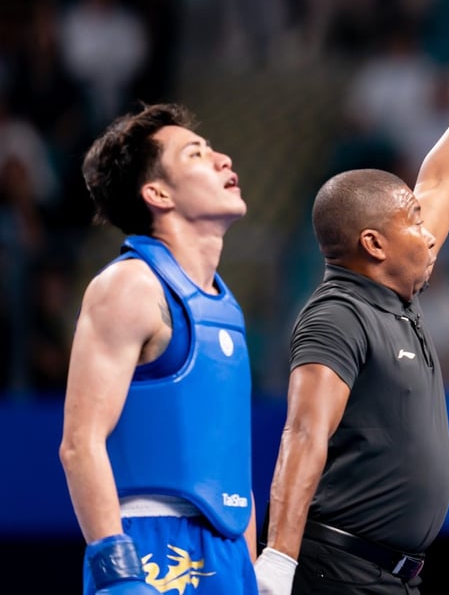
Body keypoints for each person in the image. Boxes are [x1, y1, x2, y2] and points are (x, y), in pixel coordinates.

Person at [252, 24, 449, 593]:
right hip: (335, 573)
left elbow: (444, 178)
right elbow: (303, 434)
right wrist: (277, 562)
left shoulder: (391, 297)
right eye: (413, 222)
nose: (431, 234)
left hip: (392, 576)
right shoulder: (337, 316)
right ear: (374, 245)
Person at [58, 103, 257, 594]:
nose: (223, 160)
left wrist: (248, 572)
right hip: (149, 545)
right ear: (157, 193)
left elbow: (232, 465)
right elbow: (80, 443)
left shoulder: (225, 305)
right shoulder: (129, 287)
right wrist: (116, 569)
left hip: (228, 553)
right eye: (197, 154)